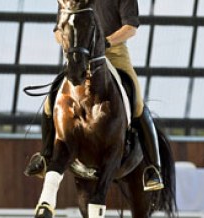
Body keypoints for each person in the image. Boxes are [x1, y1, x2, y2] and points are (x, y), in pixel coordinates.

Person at [25, 0, 163, 192]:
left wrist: (104, 42)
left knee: (137, 102)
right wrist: (67, 41)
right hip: (79, 55)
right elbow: (58, 30)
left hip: (114, 52)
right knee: (50, 102)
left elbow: (130, 28)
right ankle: (45, 156)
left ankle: (153, 168)